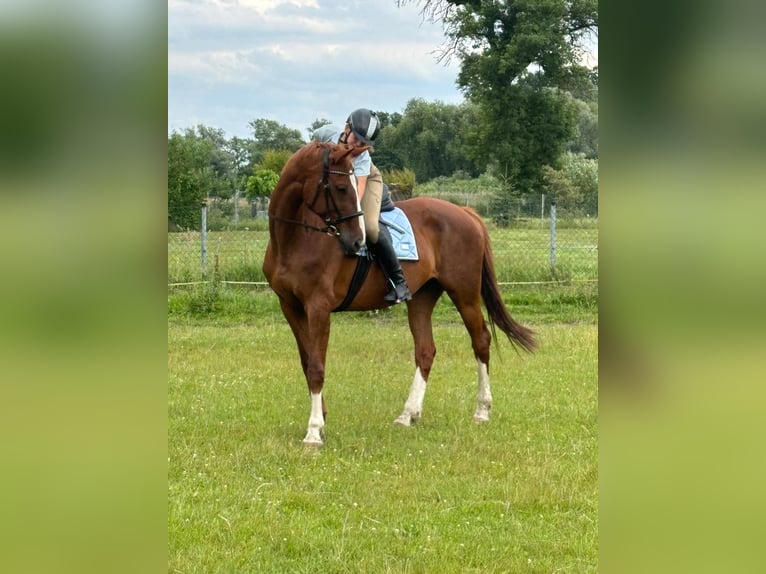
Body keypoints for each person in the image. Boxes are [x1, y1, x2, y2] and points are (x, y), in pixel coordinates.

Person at [312, 109, 412, 303]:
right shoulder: (326, 133)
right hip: (338, 178)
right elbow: (311, 150)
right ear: (347, 128)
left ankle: (400, 283)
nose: (358, 145)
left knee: (369, 227)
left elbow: (356, 191)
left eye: (364, 143)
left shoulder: (362, 157)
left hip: (365, 181)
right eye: (357, 138)